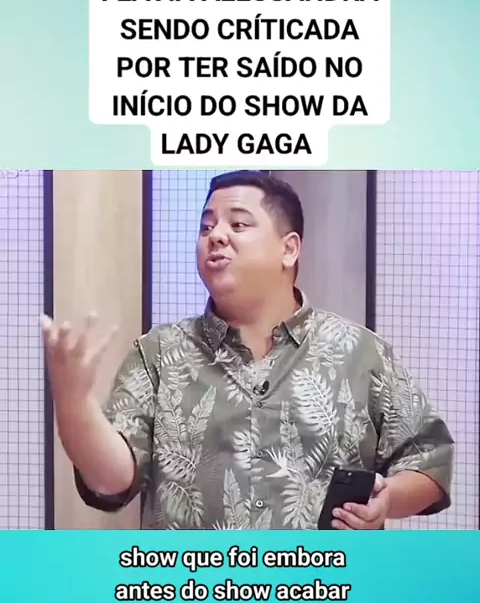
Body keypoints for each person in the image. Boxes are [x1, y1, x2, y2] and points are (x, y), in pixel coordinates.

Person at [42, 170, 454, 530]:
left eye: (238, 224)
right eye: (206, 227)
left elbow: (429, 461)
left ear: (289, 249)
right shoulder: (158, 355)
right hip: (193, 588)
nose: (216, 235)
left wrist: (388, 499)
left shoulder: (360, 352)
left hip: (323, 588)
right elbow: (111, 480)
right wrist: (74, 403)